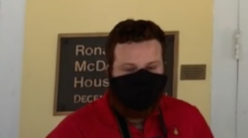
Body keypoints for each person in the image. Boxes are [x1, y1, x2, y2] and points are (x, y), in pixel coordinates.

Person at [47, 19, 214, 138]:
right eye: (129, 69)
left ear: (164, 68)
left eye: (151, 67)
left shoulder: (188, 118)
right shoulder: (77, 129)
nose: (142, 77)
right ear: (109, 73)